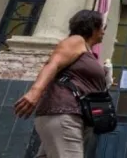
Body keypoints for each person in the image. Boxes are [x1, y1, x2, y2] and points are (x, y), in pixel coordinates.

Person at [14, 9, 108, 158]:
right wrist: (35, 92)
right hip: (65, 113)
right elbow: (53, 64)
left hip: (71, 116)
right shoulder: (76, 41)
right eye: (103, 27)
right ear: (93, 26)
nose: (104, 31)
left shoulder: (87, 51)